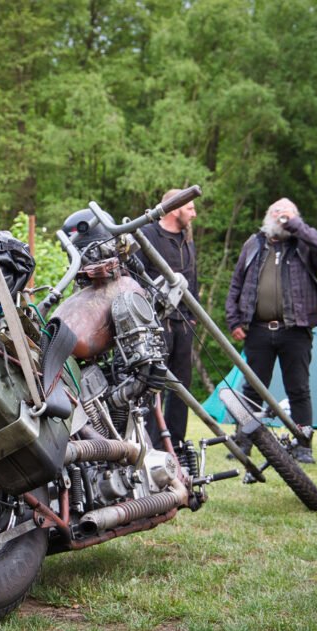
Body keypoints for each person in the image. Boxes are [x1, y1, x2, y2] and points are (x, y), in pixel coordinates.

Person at [226, 198, 317, 463]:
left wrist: (297, 225)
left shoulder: (304, 245)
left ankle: (303, 447)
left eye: (287, 213)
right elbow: (236, 285)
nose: (280, 217)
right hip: (257, 329)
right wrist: (234, 321)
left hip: (296, 329)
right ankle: (242, 443)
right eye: (275, 211)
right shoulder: (253, 244)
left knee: (298, 389)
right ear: (267, 216)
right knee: (252, 389)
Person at [134, 189, 199, 447]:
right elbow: (136, 279)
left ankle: (178, 444)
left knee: (181, 386)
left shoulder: (187, 239)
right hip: (156, 326)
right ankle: (149, 444)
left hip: (183, 326)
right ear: (174, 209)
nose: (194, 213)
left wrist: (192, 317)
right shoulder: (147, 235)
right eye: (190, 208)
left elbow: (193, 280)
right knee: (151, 386)